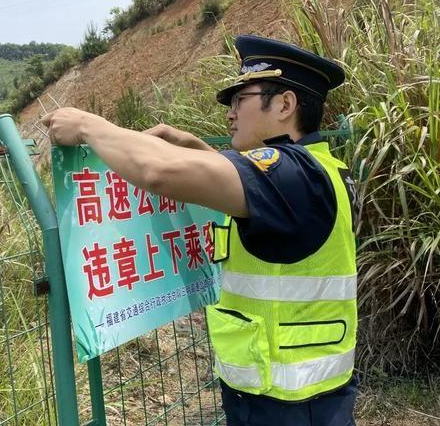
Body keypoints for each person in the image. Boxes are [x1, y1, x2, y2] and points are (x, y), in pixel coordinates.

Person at [42, 34, 358, 426]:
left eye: (240, 99)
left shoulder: (294, 175)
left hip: (289, 404)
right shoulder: (319, 168)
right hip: (300, 391)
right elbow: (258, 191)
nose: (230, 113)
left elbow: (159, 173)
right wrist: (191, 143)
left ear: (285, 104)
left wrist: (91, 127)